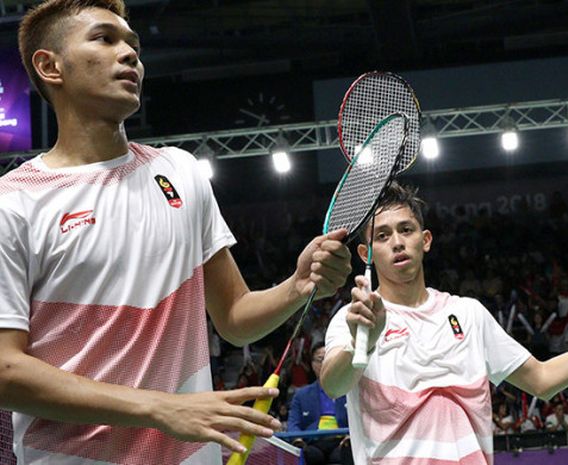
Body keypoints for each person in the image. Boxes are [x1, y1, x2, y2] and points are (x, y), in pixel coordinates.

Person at [0, 1, 351, 464]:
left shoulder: (179, 173)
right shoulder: (16, 201)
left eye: (134, 45)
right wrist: (160, 409)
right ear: (50, 66)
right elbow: (6, 369)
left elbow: (234, 317)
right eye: (105, 39)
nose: (129, 55)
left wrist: (297, 286)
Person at [320, 182, 568, 464]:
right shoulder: (356, 317)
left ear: (425, 240)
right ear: (366, 254)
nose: (397, 242)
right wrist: (363, 342)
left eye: (406, 230)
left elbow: (544, 380)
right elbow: (335, 385)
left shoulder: (468, 314)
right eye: (382, 235)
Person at [288, 343, 351, 465]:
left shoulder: (349, 392)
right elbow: (293, 423)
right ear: (312, 364)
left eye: (329, 358)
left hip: (342, 442)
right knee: (310, 456)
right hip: (313, 443)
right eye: (320, 359)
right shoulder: (301, 395)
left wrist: (350, 437)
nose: (324, 363)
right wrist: (298, 440)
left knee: (343, 454)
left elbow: (359, 420)